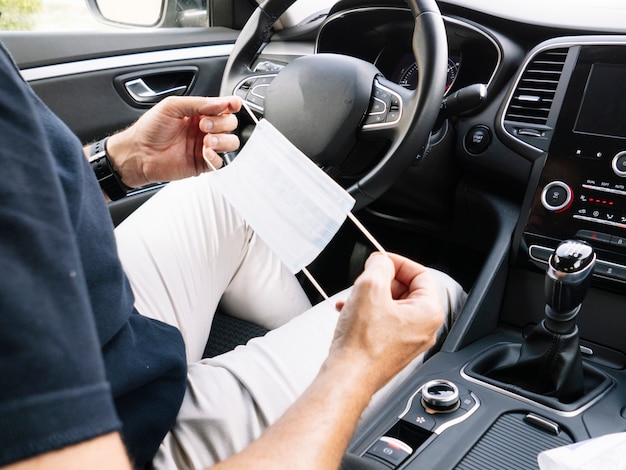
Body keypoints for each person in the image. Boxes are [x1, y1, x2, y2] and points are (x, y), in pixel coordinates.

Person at [0, 40, 466, 470]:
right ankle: (313, 411)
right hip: (126, 434)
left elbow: (20, 193)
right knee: (432, 293)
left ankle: (298, 366)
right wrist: (356, 364)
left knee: (224, 197)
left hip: (92, 329)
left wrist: (117, 163)